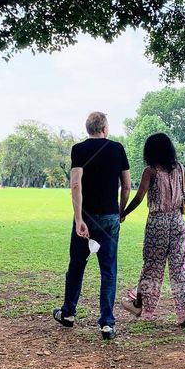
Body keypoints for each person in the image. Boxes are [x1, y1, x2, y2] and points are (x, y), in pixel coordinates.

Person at [53, 111, 130, 341]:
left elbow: (76, 185)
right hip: (109, 217)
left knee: (76, 266)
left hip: (85, 216)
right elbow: (126, 186)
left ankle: (68, 313)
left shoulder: (79, 150)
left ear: (88, 129)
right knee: (108, 270)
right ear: (105, 128)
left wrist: (79, 219)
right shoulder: (117, 149)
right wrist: (120, 211)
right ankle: (106, 324)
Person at [120, 133, 185, 327]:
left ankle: (140, 305)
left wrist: (123, 212)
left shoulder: (151, 171)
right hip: (177, 222)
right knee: (180, 269)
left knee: (152, 267)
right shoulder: (180, 169)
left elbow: (139, 197)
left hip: (157, 223)